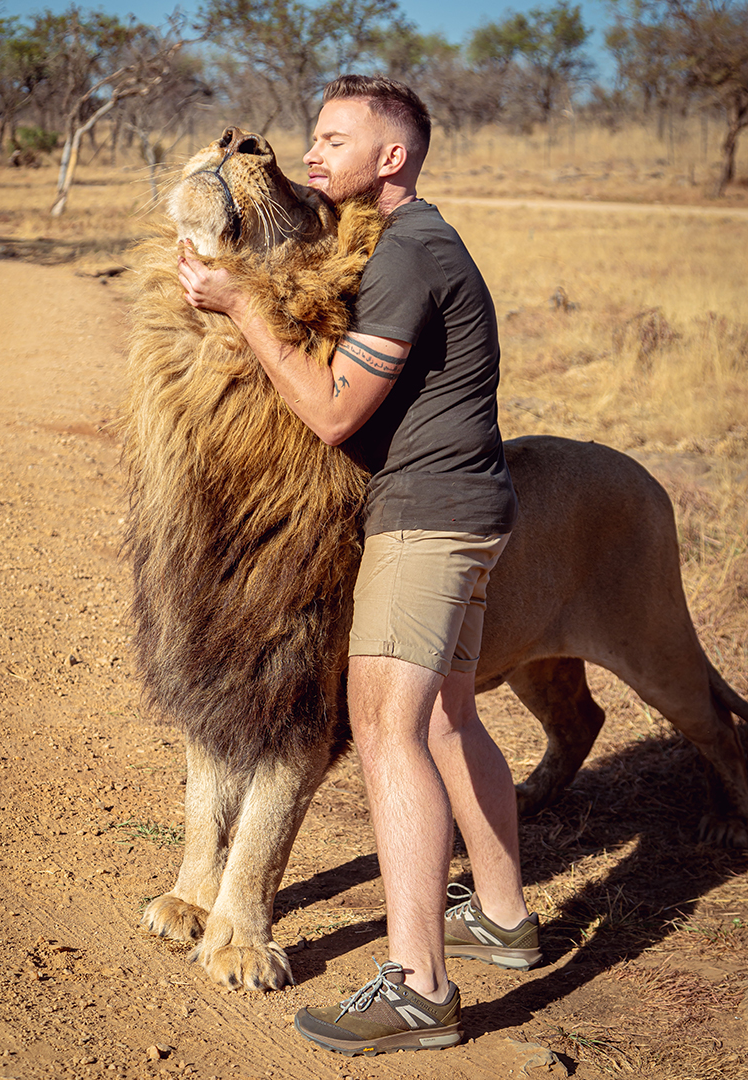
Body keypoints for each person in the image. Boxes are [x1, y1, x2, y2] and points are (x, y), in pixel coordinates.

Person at [177, 74, 541, 1057]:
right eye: (313, 137)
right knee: (453, 714)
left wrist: (241, 307)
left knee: (388, 733)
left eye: (336, 140)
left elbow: (334, 412)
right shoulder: (416, 245)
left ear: (394, 156)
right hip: (467, 507)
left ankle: (419, 985)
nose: (312, 155)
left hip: (425, 518)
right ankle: (504, 917)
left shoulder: (407, 254)